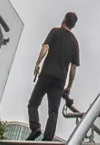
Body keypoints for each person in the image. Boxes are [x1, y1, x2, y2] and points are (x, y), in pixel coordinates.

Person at [27, 11, 81, 141]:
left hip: (46, 74)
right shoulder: (75, 42)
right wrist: (69, 86)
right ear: (73, 25)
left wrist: (38, 63)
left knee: (33, 103)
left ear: (64, 20)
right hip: (60, 80)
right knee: (53, 111)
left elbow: (46, 47)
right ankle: (48, 139)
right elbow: (73, 68)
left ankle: (35, 127)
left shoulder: (55, 32)